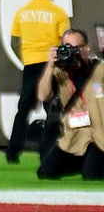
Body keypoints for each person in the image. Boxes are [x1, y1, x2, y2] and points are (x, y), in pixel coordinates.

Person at [6, 0, 70, 164]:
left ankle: (12, 152)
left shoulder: (21, 12)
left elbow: (13, 42)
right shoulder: (58, 13)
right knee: (53, 109)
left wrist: (25, 59)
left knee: (23, 109)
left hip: (31, 64)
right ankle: (48, 149)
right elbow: (65, 42)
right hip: (51, 65)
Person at [36, 28, 104, 180]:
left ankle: (91, 164)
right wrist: (49, 66)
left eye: (77, 48)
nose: (74, 52)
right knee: (45, 173)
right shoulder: (60, 73)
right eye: (68, 47)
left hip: (99, 138)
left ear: (86, 48)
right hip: (73, 137)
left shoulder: (100, 69)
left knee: (91, 176)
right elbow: (43, 95)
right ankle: (85, 163)